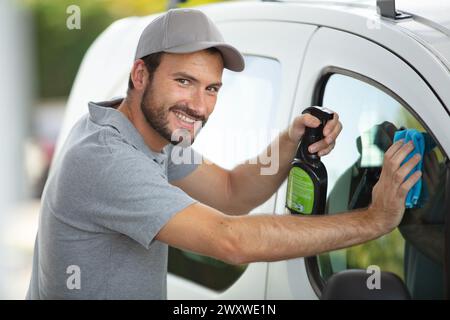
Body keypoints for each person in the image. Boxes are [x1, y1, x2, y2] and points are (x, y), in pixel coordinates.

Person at [26, 8, 422, 299]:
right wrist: (373, 221)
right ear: (140, 75)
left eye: (212, 88)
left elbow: (233, 193)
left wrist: (291, 138)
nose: (199, 106)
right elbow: (229, 240)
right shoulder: (105, 157)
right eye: (184, 81)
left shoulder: (154, 136)